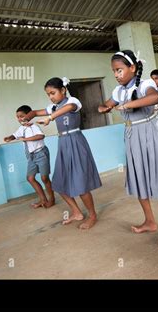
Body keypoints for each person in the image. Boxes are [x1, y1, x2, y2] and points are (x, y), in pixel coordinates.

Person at [99, 50, 158, 247]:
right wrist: (104, 107)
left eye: (119, 70)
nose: (116, 75)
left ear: (132, 68)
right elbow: (106, 104)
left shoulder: (145, 84)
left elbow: (155, 98)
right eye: (114, 71)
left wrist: (129, 105)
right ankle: (150, 221)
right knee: (139, 179)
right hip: (132, 136)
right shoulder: (118, 91)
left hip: (151, 132)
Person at [22, 77, 101, 230]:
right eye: (48, 94)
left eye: (53, 93)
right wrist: (29, 115)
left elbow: (68, 107)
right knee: (59, 183)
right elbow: (38, 111)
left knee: (81, 184)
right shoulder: (54, 106)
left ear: (63, 90)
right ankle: (77, 212)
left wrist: (50, 117)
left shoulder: (73, 101)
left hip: (76, 141)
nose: (51, 97)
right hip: (63, 143)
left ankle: (92, 215)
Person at [4, 105, 54, 209]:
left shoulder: (33, 126)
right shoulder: (21, 128)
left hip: (41, 153)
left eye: (21, 116)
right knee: (30, 178)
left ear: (29, 115)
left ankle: (52, 199)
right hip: (31, 157)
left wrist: (26, 139)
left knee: (44, 178)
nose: (19, 119)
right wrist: (10, 137)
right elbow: (15, 135)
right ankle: (43, 200)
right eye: (17, 117)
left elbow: (41, 136)